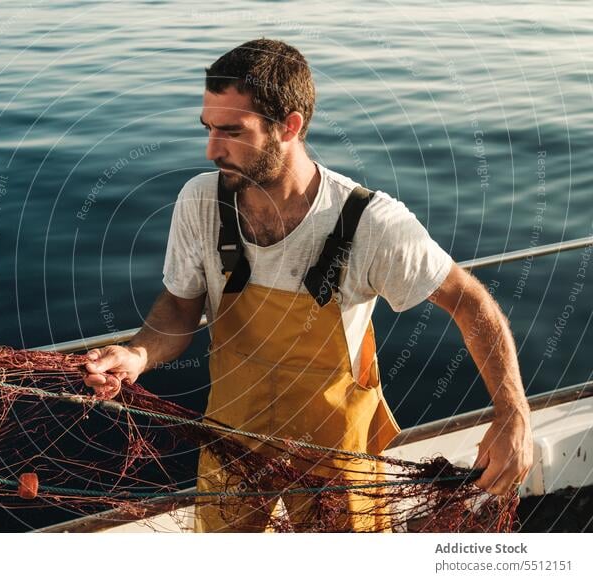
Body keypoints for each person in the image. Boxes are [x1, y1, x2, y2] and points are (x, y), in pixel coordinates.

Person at [83, 38, 533, 532]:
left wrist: (513, 413)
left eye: (232, 131)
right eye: (208, 128)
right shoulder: (200, 201)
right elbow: (179, 308)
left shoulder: (369, 222)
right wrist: (137, 355)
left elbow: (470, 303)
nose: (212, 149)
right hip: (233, 437)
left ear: (289, 126)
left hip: (334, 456)